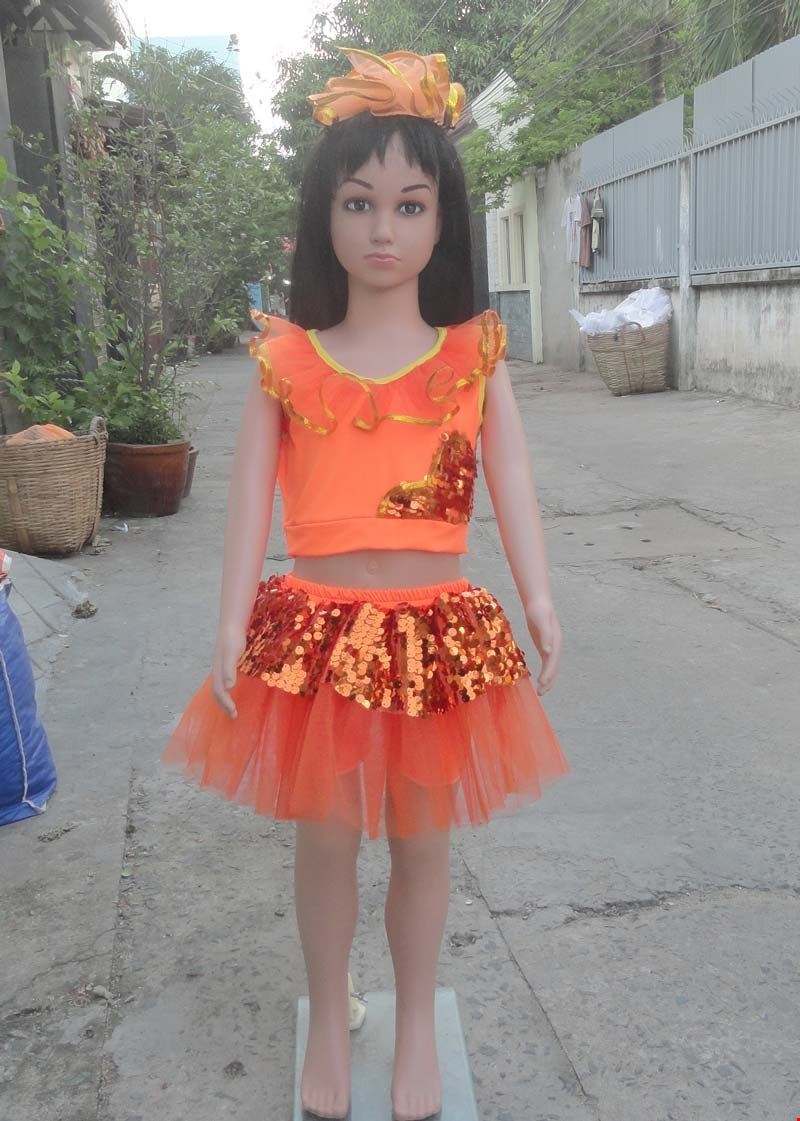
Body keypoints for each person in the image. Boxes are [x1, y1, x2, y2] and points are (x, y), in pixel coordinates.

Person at [161, 47, 571, 1121]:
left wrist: (537, 595)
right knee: (328, 837)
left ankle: (417, 1019)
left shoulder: (474, 356)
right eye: (358, 202)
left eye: (408, 204)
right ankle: (327, 1016)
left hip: (435, 632)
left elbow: (511, 477)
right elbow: (247, 502)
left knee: (423, 839)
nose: (383, 229)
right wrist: (228, 623)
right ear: (325, 214)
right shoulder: (285, 361)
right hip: (317, 634)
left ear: (442, 221)